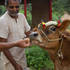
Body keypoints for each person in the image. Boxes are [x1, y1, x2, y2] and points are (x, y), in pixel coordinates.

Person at [0, 0, 31, 70]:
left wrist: (39, 34)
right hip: (9, 63)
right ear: (6, 7)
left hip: (22, 59)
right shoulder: (3, 21)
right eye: (11, 7)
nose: (15, 9)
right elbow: (2, 46)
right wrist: (15, 65)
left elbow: (29, 33)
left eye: (17, 7)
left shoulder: (22, 17)